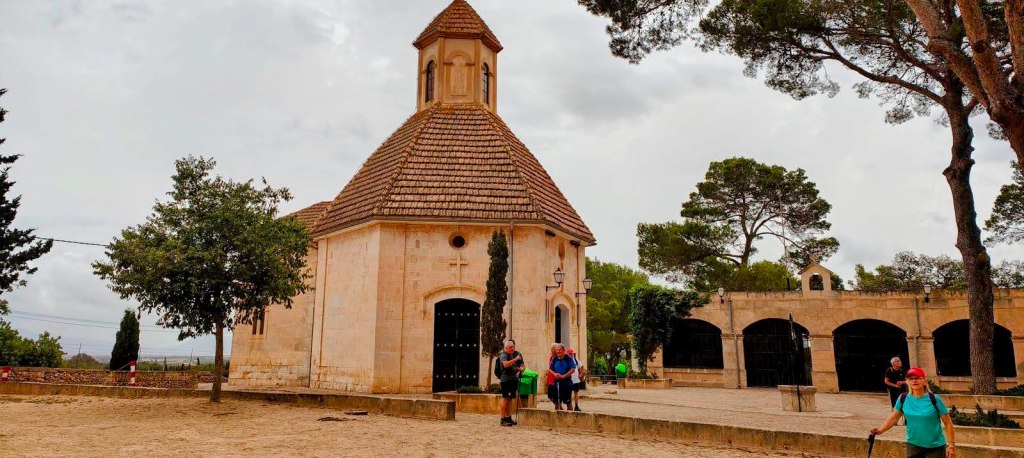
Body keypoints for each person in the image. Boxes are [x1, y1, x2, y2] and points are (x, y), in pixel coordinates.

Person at [871, 367, 956, 458]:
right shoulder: (903, 398)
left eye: (917, 378)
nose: (914, 381)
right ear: (907, 381)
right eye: (911, 379)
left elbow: (948, 423)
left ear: (924, 380)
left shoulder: (935, 399)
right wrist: (880, 430)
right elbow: (893, 418)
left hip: (935, 447)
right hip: (913, 445)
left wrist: (951, 446)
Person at [497, 339, 524, 426]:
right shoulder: (504, 355)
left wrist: (519, 370)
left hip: (512, 380)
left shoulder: (512, 355)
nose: (512, 349)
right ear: (505, 348)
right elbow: (505, 364)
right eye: (510, 347)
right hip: (506, 381)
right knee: (505, 399)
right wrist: (515, 359)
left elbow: (517, 366)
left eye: (513, 347)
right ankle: (502, 418)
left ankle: (508, 417)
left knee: (509, 400)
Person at [548, 344, 576, 411]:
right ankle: (559, 417)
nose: (558, 352)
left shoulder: (568, 358)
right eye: (557, 350)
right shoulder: (555, 358)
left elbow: (573, 369)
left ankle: (570, 418)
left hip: (567, 383)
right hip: (557, 383)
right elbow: (550, 369)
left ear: (563, 350)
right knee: (556, 402)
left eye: (560, 350)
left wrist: (563, 376)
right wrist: (555, 374)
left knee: (568, 402)